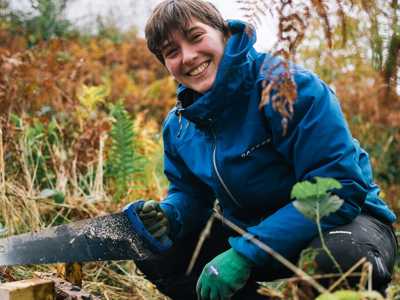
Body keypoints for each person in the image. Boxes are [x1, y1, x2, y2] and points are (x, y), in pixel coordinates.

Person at [133, 0, 398, 299]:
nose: (189, 56)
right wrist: (170, 216)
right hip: (250, 232)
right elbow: (191, 194)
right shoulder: (180, 125)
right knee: (153, 250)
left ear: (223, 33)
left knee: (343, 258)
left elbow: (338, 190)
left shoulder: (290, 88)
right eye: (172, 52)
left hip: (344, 224)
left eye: (196, 37)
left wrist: (247, 253)